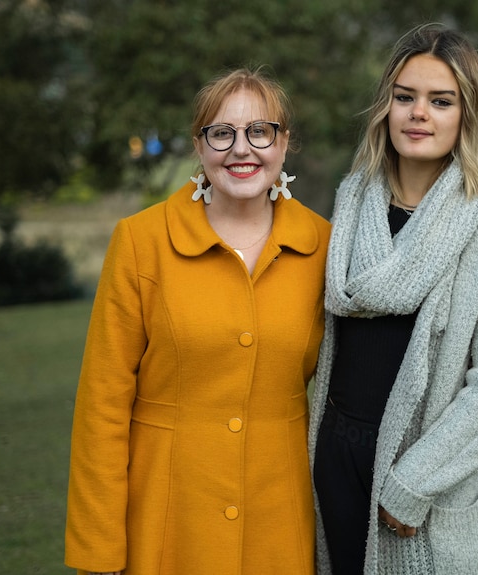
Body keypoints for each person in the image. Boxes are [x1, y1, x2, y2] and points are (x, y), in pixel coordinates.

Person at [65, 67, 330, 575]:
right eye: (221, 133)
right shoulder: (140, 242)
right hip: (166, 520)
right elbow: (102, 405)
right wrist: (98, 551)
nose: (241, 149)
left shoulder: (325, 247)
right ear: (199, 145)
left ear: (284, 142)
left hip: (280, 523)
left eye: (259, 131)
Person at [309, 23, 478, 574]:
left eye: (441, 101)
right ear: (385, 106)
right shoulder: (353, 198)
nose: (419, 114)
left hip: (419, 475)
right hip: (335, 454)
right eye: (404, 97)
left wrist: (417, 480)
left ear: (468, 115)